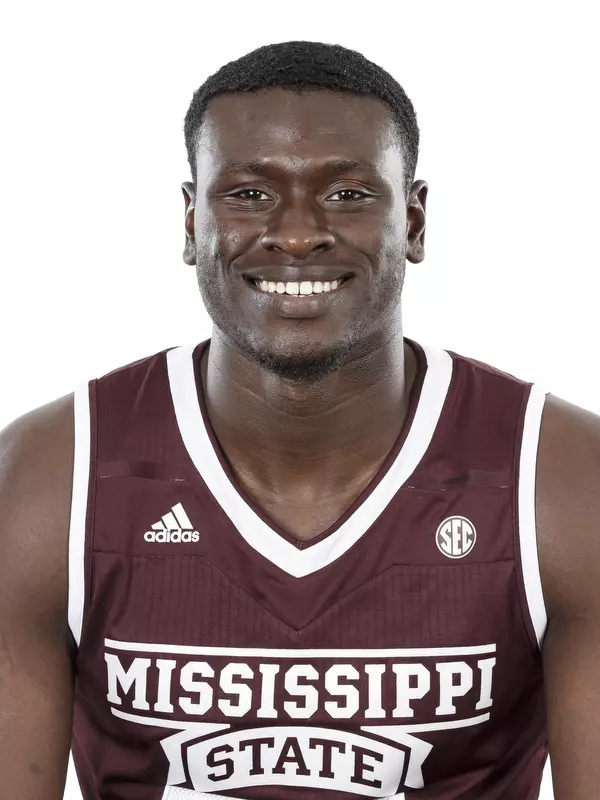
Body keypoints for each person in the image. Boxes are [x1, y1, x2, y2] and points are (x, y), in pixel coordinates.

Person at [0, 38, 597, 800]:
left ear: (413, 221)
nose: (295, 233)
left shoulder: (562, 484)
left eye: (348, 194)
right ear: (191, 223)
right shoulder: (51, 481)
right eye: (248, 193)